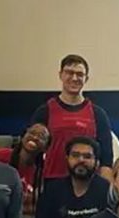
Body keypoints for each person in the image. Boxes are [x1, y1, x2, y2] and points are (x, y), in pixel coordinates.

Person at [29, 54, 114, 182]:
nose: (74, 78)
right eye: (69, 72)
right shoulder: (44, 111)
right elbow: (32, 153)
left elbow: (106, 160)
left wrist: (105, 190)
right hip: (53, 183)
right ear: (61, 75)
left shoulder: (98, 114)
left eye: (80, 74)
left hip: (88, 184)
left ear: (86, 79)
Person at [0, 123, 50, 218]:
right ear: (23, 136)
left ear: (46, 148)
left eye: (41, 137)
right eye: (32, 133)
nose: (35, 137)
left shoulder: (42, 173)